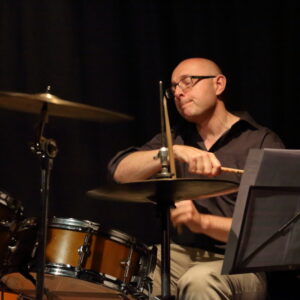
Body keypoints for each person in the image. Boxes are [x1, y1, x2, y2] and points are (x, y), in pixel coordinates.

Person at [108, 58, 285, 299]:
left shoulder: (260, 141)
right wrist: (172, 152)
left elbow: (268, 230)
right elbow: (120, 171)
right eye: (174, 88)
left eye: (188, 82)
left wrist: (200, 222)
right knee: (133, 267)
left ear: (219, 84)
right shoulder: (176, 138)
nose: (179, 92)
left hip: (241, 263)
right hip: (182, 254)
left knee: (200, 279)